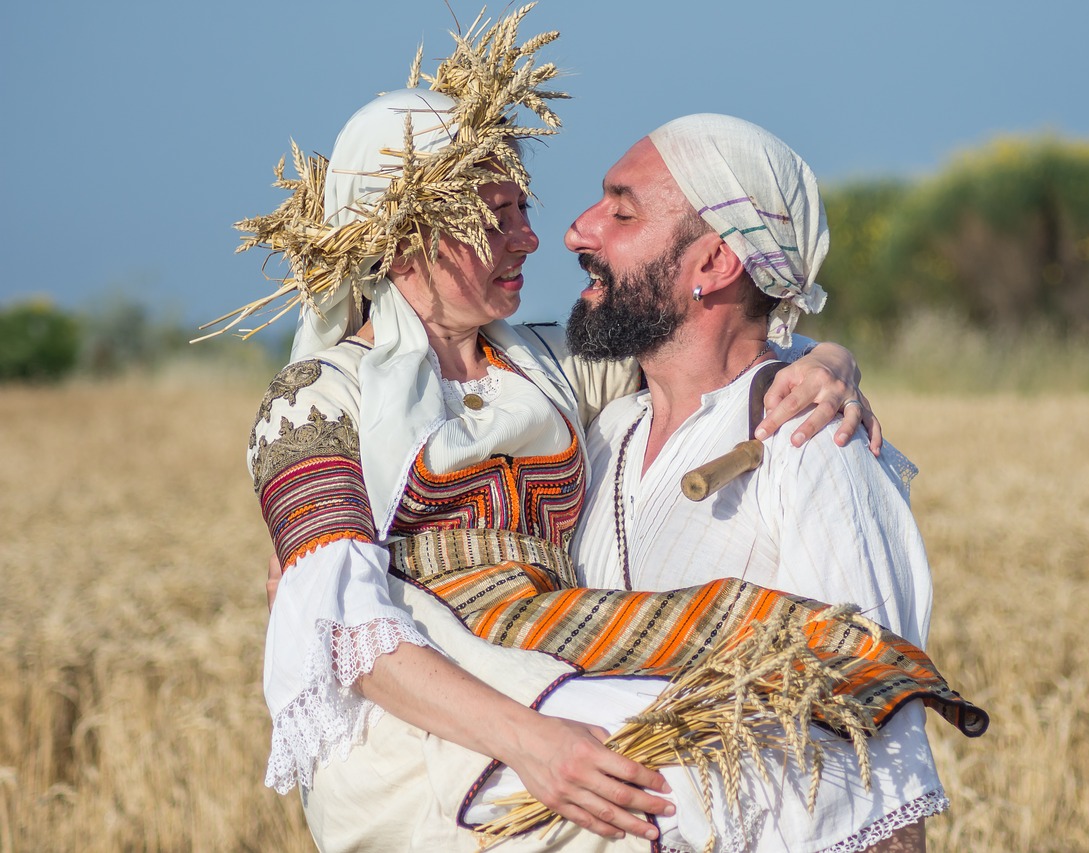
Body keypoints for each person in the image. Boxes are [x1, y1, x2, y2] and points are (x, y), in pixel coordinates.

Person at [232, 10, 969, 852]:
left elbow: (719, 345)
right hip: (435, 732)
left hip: (551, 672)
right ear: (408, 232)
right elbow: (341, 623)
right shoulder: (312, 401)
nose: (539, 237)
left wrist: (832, 364)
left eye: (524, 206)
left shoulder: (546, 367)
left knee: (763, 745)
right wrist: (532, 741)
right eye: (496, 215)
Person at [550, 114, 955, 850]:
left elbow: (881, 758)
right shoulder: (602, 434)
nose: (578, 232)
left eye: (621, 210)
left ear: (712, 266)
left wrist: (828, 361)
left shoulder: (811, 441)